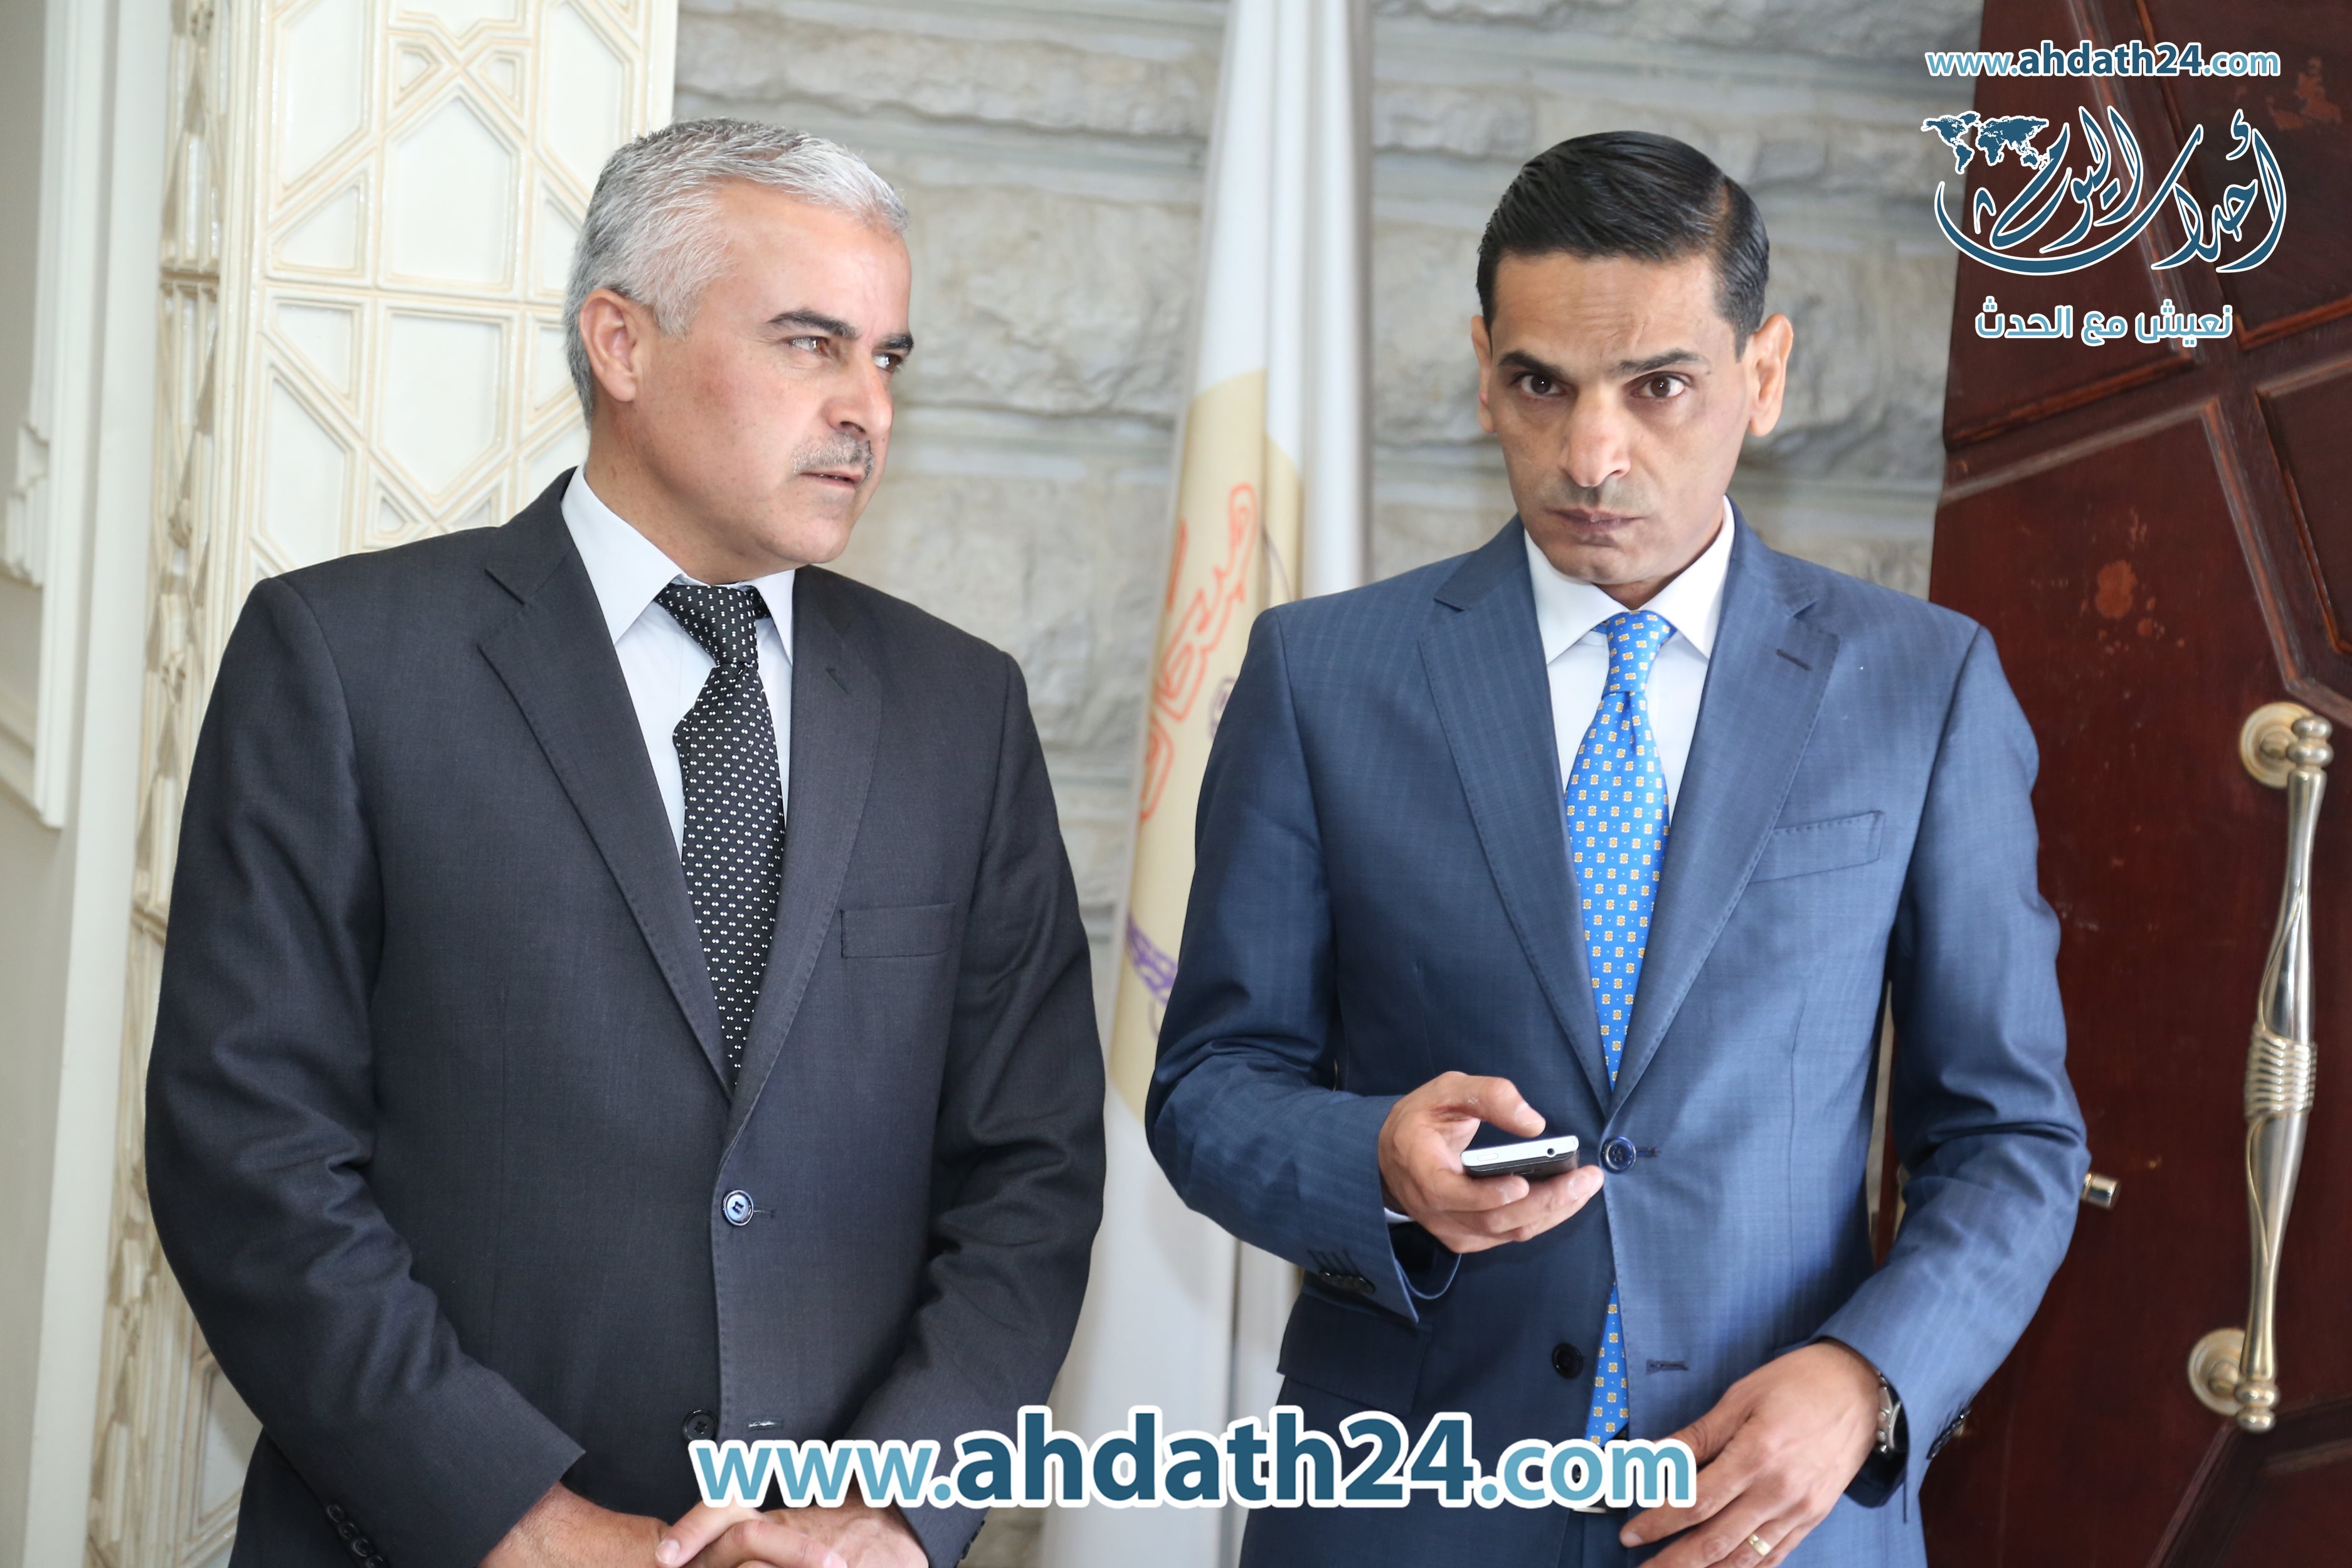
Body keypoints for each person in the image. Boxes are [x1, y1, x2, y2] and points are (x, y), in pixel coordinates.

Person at [146, 119, 1104, 1568]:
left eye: (887, 358)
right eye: (811, 343)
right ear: (622, 342)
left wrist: (885, 1512)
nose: (866, 408)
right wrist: (526, 1523)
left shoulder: (962, 711)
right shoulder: (344, 662)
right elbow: (250, 1160)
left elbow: (1031, 1169)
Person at [1147, 131, 2087, 1567]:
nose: (1593, 455)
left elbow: (2010, 1137)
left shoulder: (1922, 686)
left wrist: (1866, 1379)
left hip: (1780, 1518)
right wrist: (1374, 1160)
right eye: (1542, 384)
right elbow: (1210, 1084)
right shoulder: (1320, 676)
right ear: (1483, 370)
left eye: (1660, 386)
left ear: (1764, 373)